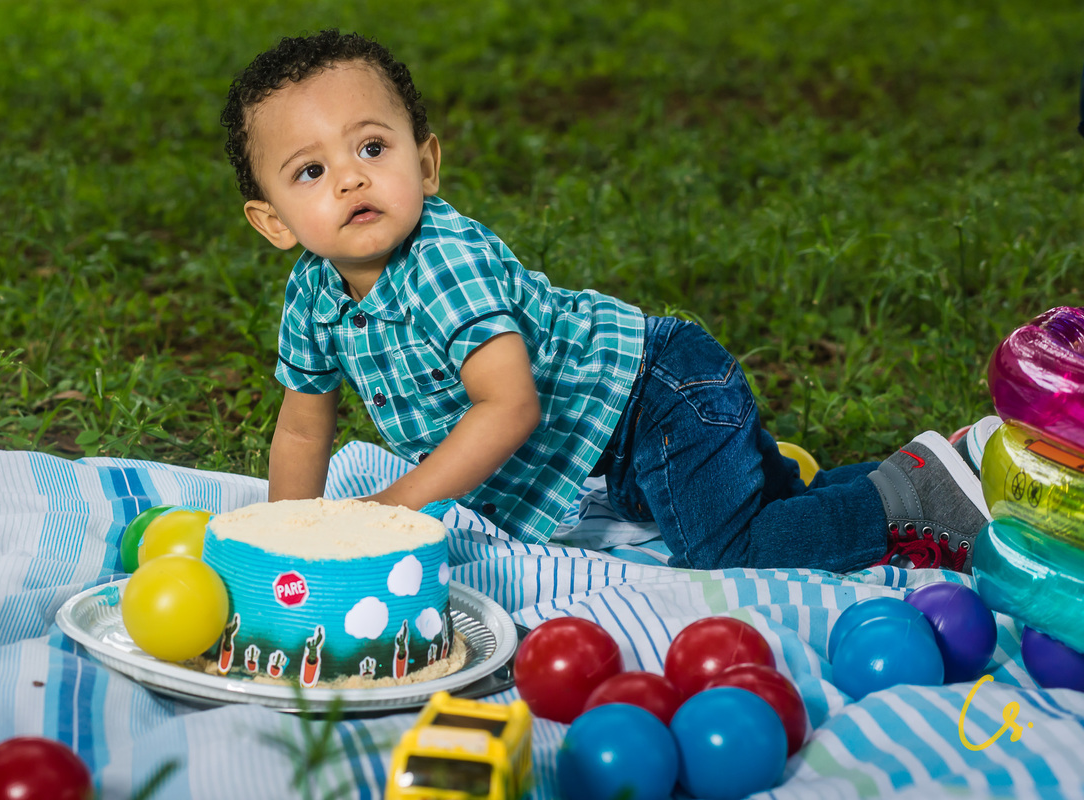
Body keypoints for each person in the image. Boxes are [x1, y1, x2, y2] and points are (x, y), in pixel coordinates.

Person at [220, 29, 991, 573]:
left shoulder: (442, 263)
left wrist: (387, 512)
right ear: (272, 222)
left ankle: (913, 497)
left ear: (426, 162)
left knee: (727, 551)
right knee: (769, 507)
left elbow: (508, 407)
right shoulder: (314, 293)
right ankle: (946, 466)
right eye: (310, 172)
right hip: (616, 434)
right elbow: (300, 425)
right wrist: (293, 537)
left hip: (661, 397)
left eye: (372, 148)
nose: (350, 177)